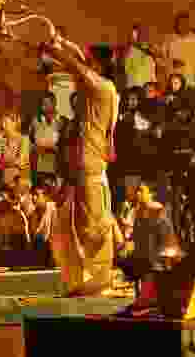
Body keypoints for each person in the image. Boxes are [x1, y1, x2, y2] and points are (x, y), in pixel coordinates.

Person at [44, 39, 120, 296]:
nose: (86, 62)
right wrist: (62, 43)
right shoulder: (96, 84)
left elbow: (77, 66)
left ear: (97, 64)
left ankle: (98, 282)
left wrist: (54, 50)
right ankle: (82, 282)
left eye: (90, 60)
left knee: (92, 227)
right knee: (73, 225)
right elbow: (79, 59)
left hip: (91, 165)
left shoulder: (102, 86)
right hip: (81, 166)